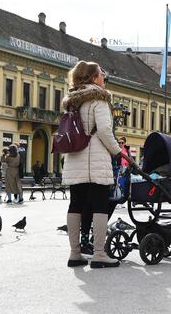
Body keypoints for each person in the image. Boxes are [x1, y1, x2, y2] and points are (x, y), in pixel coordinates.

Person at [61, 60, 133, 269]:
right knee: (100, 204)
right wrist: (118, 152)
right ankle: (99, 254)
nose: (104, 78)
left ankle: (75, 254)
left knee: (76, 204)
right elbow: (103, 131)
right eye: (101, 74)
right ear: (93, 78)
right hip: (95, 160)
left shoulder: (72, 101)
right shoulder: (98, 100)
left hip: (75, 157)